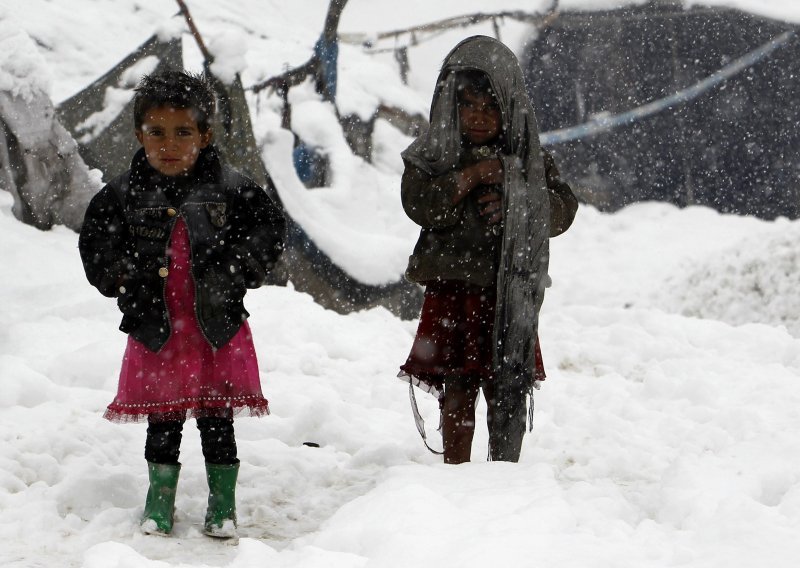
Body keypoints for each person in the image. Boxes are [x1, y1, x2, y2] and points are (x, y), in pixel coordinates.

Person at [78, 71, 285, 538]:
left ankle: (222, 505)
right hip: (158, 327)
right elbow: (96, 244)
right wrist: (123, 280)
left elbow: (269, 230)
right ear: (138, 134)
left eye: (183, 132)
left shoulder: (232, 187)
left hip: (215, 325)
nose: (168, 145)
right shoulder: (121, 193)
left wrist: (236, 270)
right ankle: (159, 501)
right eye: (156, 132)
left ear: (205, 135)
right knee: (163, 419)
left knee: (217, 419)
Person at [398, 36, 578, 464]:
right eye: (469, 106)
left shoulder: (525, 158)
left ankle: (503, 476)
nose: (479, 117)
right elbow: (421, 204)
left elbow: (563, 210)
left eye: (491, 106)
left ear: (510, 106)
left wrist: (516, 196)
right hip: (454, 291)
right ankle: (456, 473)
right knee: (456, 386)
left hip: (507, 292)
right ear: (451, 105)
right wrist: (473, 176)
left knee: (506, 385)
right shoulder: (437, 153)